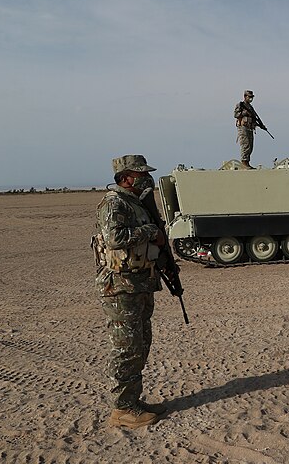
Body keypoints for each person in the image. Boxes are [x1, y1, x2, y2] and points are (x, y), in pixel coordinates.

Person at [91, 155, 167, 428]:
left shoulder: (136, 203)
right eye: (140, 174)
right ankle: (122, 410)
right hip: (120, 287)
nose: (146, 178)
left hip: (139, 284)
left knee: (140, 344)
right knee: (127, 348)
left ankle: (132, 401)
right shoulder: (114, 203)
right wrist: (149, 231)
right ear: (125, 178)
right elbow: (115, 238)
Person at [233, 89, 267, 169]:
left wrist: (261, 125)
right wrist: (243, 113)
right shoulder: (240, 105)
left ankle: (247, 162)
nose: (251, 99)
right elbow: (235, 114)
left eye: (252, 97)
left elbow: (255, 117)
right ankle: (244, 162)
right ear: (245, 97)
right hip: (243, 127)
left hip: (250, 128)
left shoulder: (250, 107)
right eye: (249, 97)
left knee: (250, 146)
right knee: (245, 145)